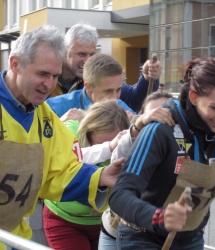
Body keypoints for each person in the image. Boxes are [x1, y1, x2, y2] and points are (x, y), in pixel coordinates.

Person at [0, 24, 124, 249]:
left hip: (15, 237)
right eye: (42, 74)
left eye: (55, 76)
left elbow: (61, 171)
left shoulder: (46, 118)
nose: (49, 84)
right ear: (15, 64)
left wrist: (100, 176)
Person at [109, 57, 215, 250]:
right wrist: (158, 217)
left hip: (190, 237)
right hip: (143, 237)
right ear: (193, 97)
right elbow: (119, 194)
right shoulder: (162, 130)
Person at [43, 100, 130, 250]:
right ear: (87, 131)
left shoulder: (128, 141)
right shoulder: (71, 129)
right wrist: (109, 148)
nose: (109, 155)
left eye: (116, 142)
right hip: (64, 220)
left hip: (103, 223)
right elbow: (69, 159)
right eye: (99, 143)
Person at [99, 91, 175, 250]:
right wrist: (137, 127)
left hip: (162, 235)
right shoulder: (131, 137)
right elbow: (118, 159)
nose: (158, 120)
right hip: (116, 230)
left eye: (164, 114)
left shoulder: (183, 144)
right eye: (152, 116)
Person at [48, 22, 162, 112]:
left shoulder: (99, 75)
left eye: (92, 54)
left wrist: (147, 78)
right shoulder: (46, 76)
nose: (88, 60)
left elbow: (133, 100)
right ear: (65, 51)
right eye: (81, 54)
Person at [46, 53, 136, 118]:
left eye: (118, 90)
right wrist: (60, 125)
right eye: (108, 91)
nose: (114, 98)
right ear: (88, 87)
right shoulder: (54, 108)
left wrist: (135, 128)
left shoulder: (122, 108)